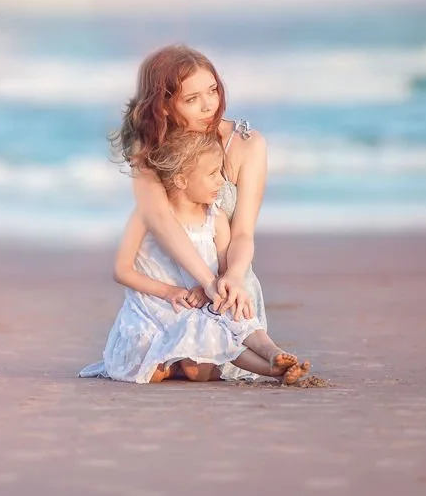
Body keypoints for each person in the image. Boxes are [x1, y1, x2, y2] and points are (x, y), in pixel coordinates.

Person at [79, 129, 310, 384]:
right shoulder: (147, 215)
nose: (221, 181)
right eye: (212, 174)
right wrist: (169, 292)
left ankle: (273, 357)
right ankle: (266, 369)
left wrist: (208, 287)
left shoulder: (216, 218)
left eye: (220, 172)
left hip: (199, 306)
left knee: (229, 312)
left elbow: (223, 271)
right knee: (157, 371)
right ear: (181, 180)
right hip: (155, 308)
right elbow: (121, 270)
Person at [116, 44, 269, 380]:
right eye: (191, 99)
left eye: (213, 90)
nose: (208, 105)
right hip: (174, 289)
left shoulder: (247, 144)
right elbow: (160, 219)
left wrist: (230, 277)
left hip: (229, 280)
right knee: (164, 365)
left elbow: (243, 232)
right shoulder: (150, 146)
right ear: (166, 107)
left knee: (203, 364)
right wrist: (205, 282)